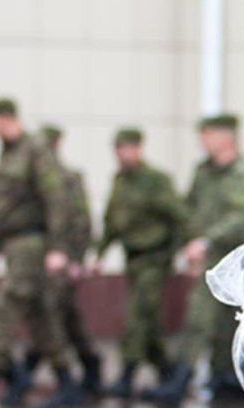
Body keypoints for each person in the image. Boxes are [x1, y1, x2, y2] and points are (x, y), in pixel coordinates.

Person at [0, 99, 79, 408]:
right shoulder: (9, 153)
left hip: (30, 244)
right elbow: (4, 206)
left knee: (3, 313)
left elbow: (56, 197)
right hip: (13, 245)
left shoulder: (35, 149)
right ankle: (66, 383)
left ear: (3, 118)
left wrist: (58, 247)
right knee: (40, 318)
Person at [141, 114, 244, 404]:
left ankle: (211, 380)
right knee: (200, 318)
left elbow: (243, 217)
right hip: (207, 258)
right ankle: (186, 381)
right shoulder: (203, 171)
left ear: (226, 137)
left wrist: (206, 241)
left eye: (207, 135)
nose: (202, 142)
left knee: (219, 321)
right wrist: (188, 241)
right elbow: (188, 209)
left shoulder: (243, 173)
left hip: (233, 259)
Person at [93, 128, 186, 399]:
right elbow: (112, 222)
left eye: (128, 148)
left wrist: (190, 243)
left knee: (136, 316)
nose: (123, 154)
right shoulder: (120, 181)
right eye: (119, 148)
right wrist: (99, 253)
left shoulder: (155, 180)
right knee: (148, 320)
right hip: (132, 259)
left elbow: (177, 213)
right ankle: (168, 370)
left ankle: (126, 375)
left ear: (138, 149)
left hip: (154, 258)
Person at [22, 124, 102, 398]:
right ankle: (91, 365)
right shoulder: (34, 180)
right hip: (40, 258)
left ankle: (50, 376)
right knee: (67, 317)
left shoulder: (68, 179)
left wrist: (77, 258)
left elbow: (81, 221)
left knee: (49, 315)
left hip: (62, 259)